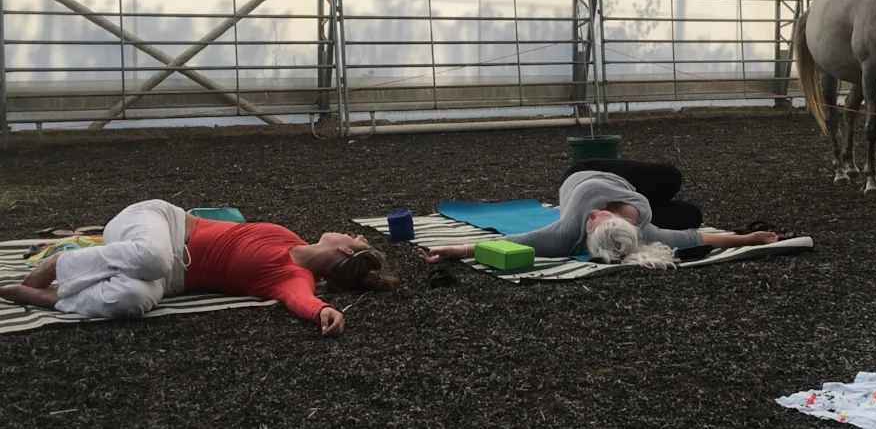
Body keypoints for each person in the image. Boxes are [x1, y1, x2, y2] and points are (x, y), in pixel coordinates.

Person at [0, 199, 397, 336]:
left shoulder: (293, 278)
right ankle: (63, 262)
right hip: (161, 224)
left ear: (345, 253)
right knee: (152, 256)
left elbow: (301, 300)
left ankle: (44, 296)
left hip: (169, 277)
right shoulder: (286, 235)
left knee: (133, 299)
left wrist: (324, 310)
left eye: (359, 240)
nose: (355, 234)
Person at [418, 159, 784, 269]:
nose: (590, 215)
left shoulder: (564, 235)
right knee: (685, 201)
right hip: (606, 177)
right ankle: (658, 193)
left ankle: (656, 190)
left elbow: (506, 242)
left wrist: (454, 250)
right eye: (595, 218)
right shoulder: (648, 232)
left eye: (592, 220)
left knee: (681, 193)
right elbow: (703, 237)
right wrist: (752, 238)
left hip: (592, 176)